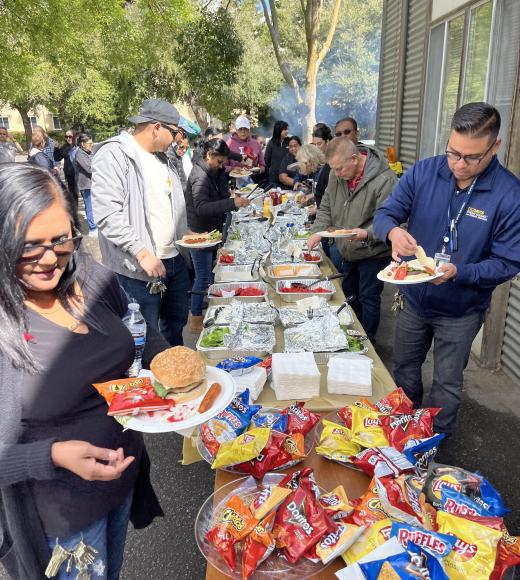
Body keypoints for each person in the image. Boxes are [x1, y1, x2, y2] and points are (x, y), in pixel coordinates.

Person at [0, 163, 164, 580]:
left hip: (121, 480)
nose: (50, 258)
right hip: (61, 518)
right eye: (29, 246)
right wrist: (52, 454)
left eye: (61, 239)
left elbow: (135, 333)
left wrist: (176, 372)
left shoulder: (89, 276)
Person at [373, 101, 520, 436]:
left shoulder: (509, 196)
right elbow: (386, 213)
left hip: (461, 310)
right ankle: (403, 431)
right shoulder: (424, 172)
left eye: (471, 157)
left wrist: (461, 272)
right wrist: (393, 232)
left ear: (494, 147)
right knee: (405, 368)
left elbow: (508, 263)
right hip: (414, 299)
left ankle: (433, 443)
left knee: (447, 383)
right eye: (453, 153)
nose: (459, 164)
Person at [91, 98, 191, 347]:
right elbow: (107, 214)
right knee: (142, 340)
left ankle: (176, 378)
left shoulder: (162, 157)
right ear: (156, 127)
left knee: (174, 330)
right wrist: (142, 252)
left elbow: (168, 205)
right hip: (138, 269)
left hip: (173, 260)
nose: (178, 139)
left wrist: (185, 233)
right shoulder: (115, 154)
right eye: (175, 132)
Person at [308, 137, 397, 342]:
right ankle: (349, 337)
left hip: (373, 251)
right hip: (347, 248)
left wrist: (367, 233)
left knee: (368, 296)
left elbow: (393, 219)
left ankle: (368, 343)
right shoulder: (336, 174)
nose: (337, 174)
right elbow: (327, 206)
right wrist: (318, 230)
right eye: (334, 169)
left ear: (355, 159)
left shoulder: (384, 179)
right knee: (348, 293)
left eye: (340, 169)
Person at [185, 139, 250, 331]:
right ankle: (195, 317)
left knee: (212, 272)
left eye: (223, 162)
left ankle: (215, 309)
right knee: (203, 275)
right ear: (209, 156)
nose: (222, 166)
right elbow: (201, 207)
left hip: (213, 229)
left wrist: (232, 198)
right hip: (199, 232)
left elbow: (221, 196)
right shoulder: (199, 175)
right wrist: (231, 203)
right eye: (220, 162)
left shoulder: (216, 171)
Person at [75, 133, 96, 236]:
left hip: (91, 183)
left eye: (92, 143)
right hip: (86, 184)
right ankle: (92, 228)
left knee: (93, 205)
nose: (91, 145)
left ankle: (94, 225)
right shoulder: (79, 153)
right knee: (89, 206)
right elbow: (89, 168)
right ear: (83, 144)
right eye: (89, 143)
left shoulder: (88, 152)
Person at [53, 130, 78, 203]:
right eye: (66, 137)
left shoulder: (79, 145)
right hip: (70, 174)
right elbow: (57, 158)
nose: (68, 138)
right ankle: (74, 212)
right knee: (73, 194)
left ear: (74, 137)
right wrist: (56, 148)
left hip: (80, 174)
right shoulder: (64, 147)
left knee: (84, 194)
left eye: (70, 136)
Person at [264, 120, 289, 185]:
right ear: (279, 130)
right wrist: (271, 171)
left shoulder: (289, 142)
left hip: (287, 177)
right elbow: (266, 160)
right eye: (285, 129)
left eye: (287, 129)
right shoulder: (271, 143)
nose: (287, 131)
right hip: (274, 178)